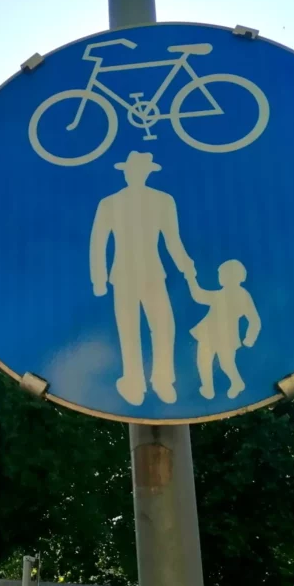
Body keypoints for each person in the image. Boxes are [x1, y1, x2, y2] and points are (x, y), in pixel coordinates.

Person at [91, 150, 195, 406]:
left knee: (163, 325)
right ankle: (133, 382)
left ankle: (162, 379)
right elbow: (98, 243)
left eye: (139, 171)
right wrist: (98, 280)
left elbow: (172, 240)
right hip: (123, 275)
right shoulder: (110, 203)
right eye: (132, 171)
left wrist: (185, 265)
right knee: (129, 330)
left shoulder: (162, 201)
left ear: (146, 173)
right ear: (126, 173)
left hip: (152, 273)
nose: (134, 174)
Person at [187, 259, 261, 399]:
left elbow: (254, 319)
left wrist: (250, 338)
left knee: (226, 363)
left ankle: (237, 382)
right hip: (208, 333)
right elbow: (199, 296)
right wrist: (191, 279)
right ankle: (208, 388)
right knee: (204, 361)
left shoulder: (242, 295)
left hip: (226, 335)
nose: (220, 277)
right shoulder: (221, 294)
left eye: (222, 274)